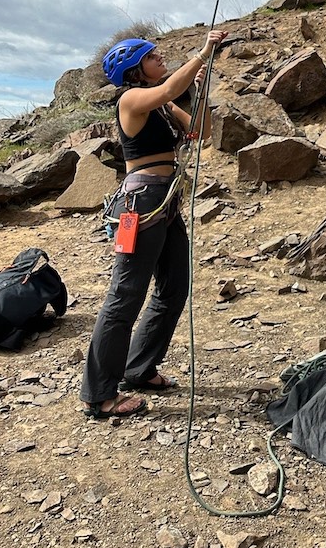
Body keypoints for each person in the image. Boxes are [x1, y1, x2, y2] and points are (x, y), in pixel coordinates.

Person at [80, 28, 226, 419]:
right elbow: (164, 92)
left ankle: (139, 369)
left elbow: (200, 131)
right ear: (133, 69)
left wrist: (198, 86)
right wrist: (203, 51)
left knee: (174, 286)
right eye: (152, 56)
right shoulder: (132, 100)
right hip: (141, 203)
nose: (160, 58)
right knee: (125, 296)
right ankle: (99, 395)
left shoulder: (160, 106)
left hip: (165, 201)